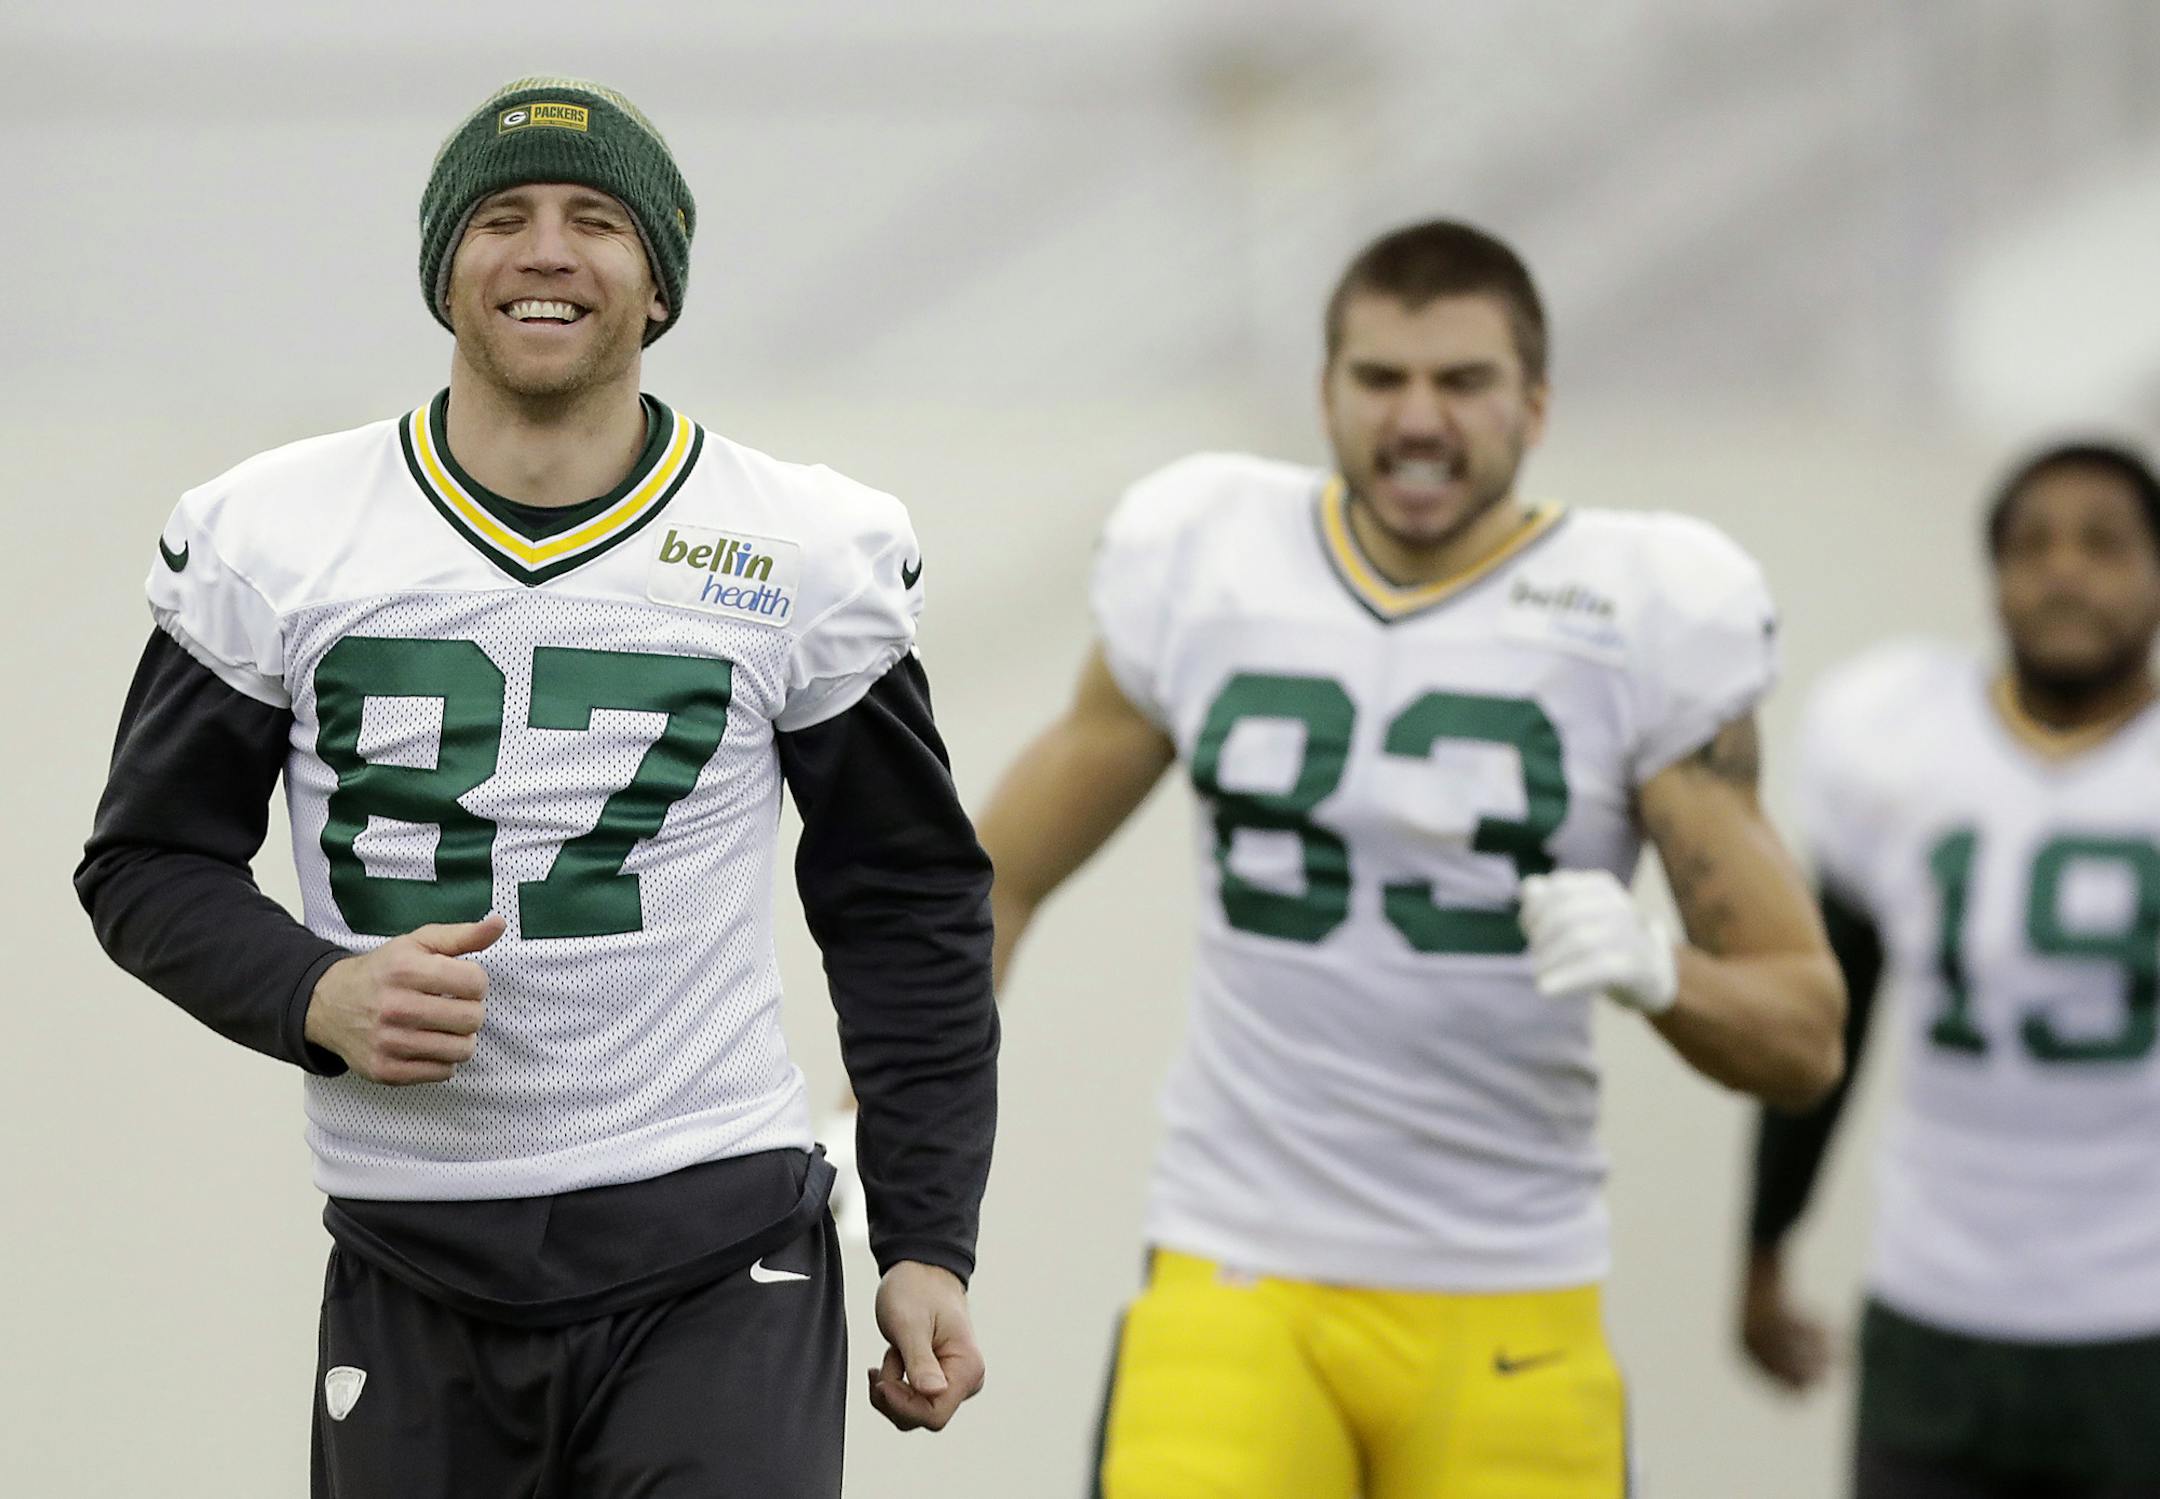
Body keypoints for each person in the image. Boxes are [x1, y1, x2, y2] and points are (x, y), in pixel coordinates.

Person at [74, 76, 996, 1498]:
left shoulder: (800, 546)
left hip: (717, 1229)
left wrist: (928, 1234)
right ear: (447, 269)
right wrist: (315, 989)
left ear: (661, 285)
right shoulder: (278, 533)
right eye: (503, 217)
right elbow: (144, 864)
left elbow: (906, 898)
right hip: (413, 1241)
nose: (549, 251)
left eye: (599, 221)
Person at [970, 219, 1845, 1497]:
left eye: (1464, 381)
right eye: (1381, 379)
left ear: (1535, 403)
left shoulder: (1641, 611)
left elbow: (1807, 1031)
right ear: (1325, 392)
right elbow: (992, 873)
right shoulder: (1210, 558)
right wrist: (896, 1113)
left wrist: (1663, 973)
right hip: (1237, 1262)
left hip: (1509, 1282)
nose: (1418, 419)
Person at [1743, 443, 2160, 1499]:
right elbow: (1827, 1017)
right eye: (2032, 544)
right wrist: (1764, 1239)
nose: (2064, 570)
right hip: (1937, 1310)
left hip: (2142, 1318)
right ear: (1992, 577)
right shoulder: (1897, 738)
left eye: (2104, 542)